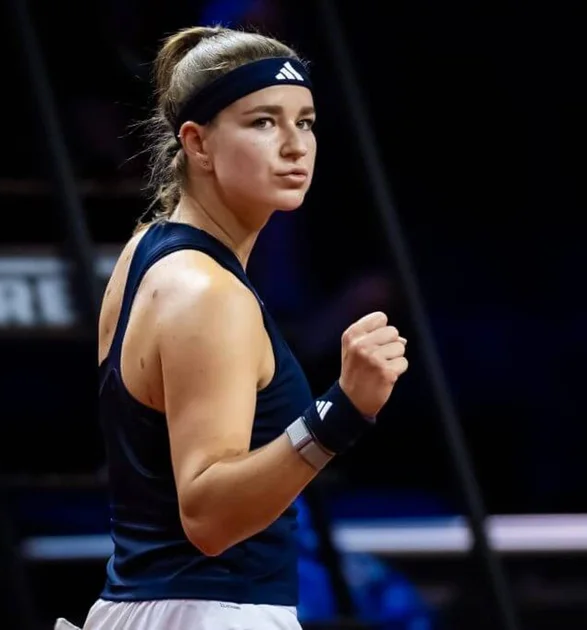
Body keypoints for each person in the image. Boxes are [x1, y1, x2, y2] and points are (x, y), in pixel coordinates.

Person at [65, 25, 410, 630]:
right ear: (197, 143)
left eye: (304, 121)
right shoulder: (208, 293)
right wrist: (343, 411)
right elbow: (208, 517)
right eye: (262, 122)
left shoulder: (150, 251)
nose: (295, 145)